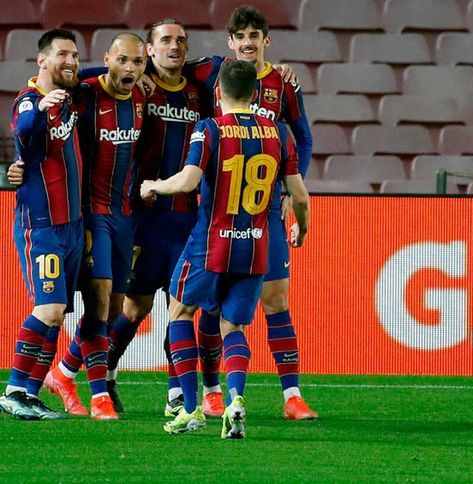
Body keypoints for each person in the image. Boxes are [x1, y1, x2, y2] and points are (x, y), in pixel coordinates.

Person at [140, 60, 310, 437]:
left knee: (180, 312)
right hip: (255, 247)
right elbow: (299, 195)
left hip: (211, 244)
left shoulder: (210, 129)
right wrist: (303, 228)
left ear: (218, 92)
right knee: (232, 326)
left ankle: (190, 408)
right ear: (255, 93)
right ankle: (235, 401)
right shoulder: (278, 132)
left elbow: (188, 182)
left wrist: (154, 185)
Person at [184, 5, 317, 420]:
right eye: (240, 36)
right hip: (219, 210)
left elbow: (304, 139)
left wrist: (289, 188)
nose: (247, 43)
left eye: (254, 36)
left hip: (264, 208)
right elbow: (160, 65)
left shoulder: (283, 83)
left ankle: (292, 395)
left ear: (266, 40)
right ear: (230, 41)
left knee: (277, 300)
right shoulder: (213, 71)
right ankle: (211, 390)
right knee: (212, 305)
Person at [36, 32, 148, 421]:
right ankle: (99, 396)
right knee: (98, 302)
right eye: (122, 60)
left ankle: (63, 374)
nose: (130, 68)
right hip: (90, 215)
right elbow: (62, 79)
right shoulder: (84, 95)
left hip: (124, 216)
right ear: (106, 59)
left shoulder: (141, 97)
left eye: (138, 62)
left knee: (114, 308)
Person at [0, 29, 83, 421]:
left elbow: (103, 74)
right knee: (48, 308)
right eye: (62, 54)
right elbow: (23, 128)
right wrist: (41, 108)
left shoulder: (70, 96)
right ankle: (13, 390)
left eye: (75, 55)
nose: (71, 61)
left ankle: (30, 394)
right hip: (41, 225)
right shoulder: (28, 100)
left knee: (58, 312)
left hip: (72, 226)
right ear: (42, 60)